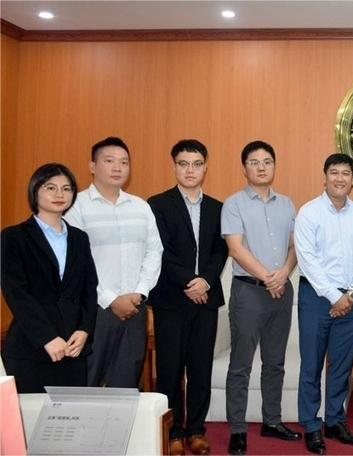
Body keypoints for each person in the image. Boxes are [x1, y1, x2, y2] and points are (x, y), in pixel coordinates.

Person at [148, 140, 228, 456]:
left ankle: (195, 429)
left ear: (205, 167)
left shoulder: (217, 208)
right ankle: (173, 432)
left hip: (206, 299)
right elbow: (160, 250)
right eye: (183, 163)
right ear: (174, 166)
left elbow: (220, 250)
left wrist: (205, 281)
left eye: (196, 164)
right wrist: (189, 281)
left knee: (199, 368)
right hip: (171, 298)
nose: (190, 170)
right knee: (169, 369)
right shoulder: (157, 204)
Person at [221, 140, 300, 455]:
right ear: (245, 168)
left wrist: (283, 272)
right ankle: (238, 429)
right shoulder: (234, 203)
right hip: (249, 292)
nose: (261, 167)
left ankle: (272, 421)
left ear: (274, 166)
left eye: (267, 161)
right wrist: (269, 277)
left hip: (281, 290)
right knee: (240, 364)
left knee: (274, 362)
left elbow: (296, 247)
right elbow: (235, 248)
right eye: (254, 162)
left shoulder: (287, 204)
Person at [65, 137, 163, 388]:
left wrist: (139, 292)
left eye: (123, 162)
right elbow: (76, 264)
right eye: (109, 161)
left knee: (127, 383)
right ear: (93, 166)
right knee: (87, 380)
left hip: (134, 307)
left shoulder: (141, 207)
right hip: (94, 310)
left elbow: (154, 251)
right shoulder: (76, 207)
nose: (117, 167)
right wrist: (110, 299)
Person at [294, 153, 353, 455]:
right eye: (334, 172)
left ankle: (335, 420)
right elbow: (307, 260)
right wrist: (334, 296)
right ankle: (311, 426)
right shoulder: (309, 212)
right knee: (311, 365)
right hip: (316, 296)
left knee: (341, 366)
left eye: (346, 173)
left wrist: (350, 294)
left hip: (351, 299)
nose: (340, 178)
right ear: (324, 177)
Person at [1, 163, 98, 393]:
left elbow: (89, 289)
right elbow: (16, 293)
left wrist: (84, 330)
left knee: (72, 422)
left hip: (74, 347)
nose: (59, 194)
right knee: (31, 424)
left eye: (66, 189)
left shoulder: (79, 238)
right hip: (32, 347)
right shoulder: (14, 237)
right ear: (35, 191)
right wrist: (47, 337)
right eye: (50, 187)